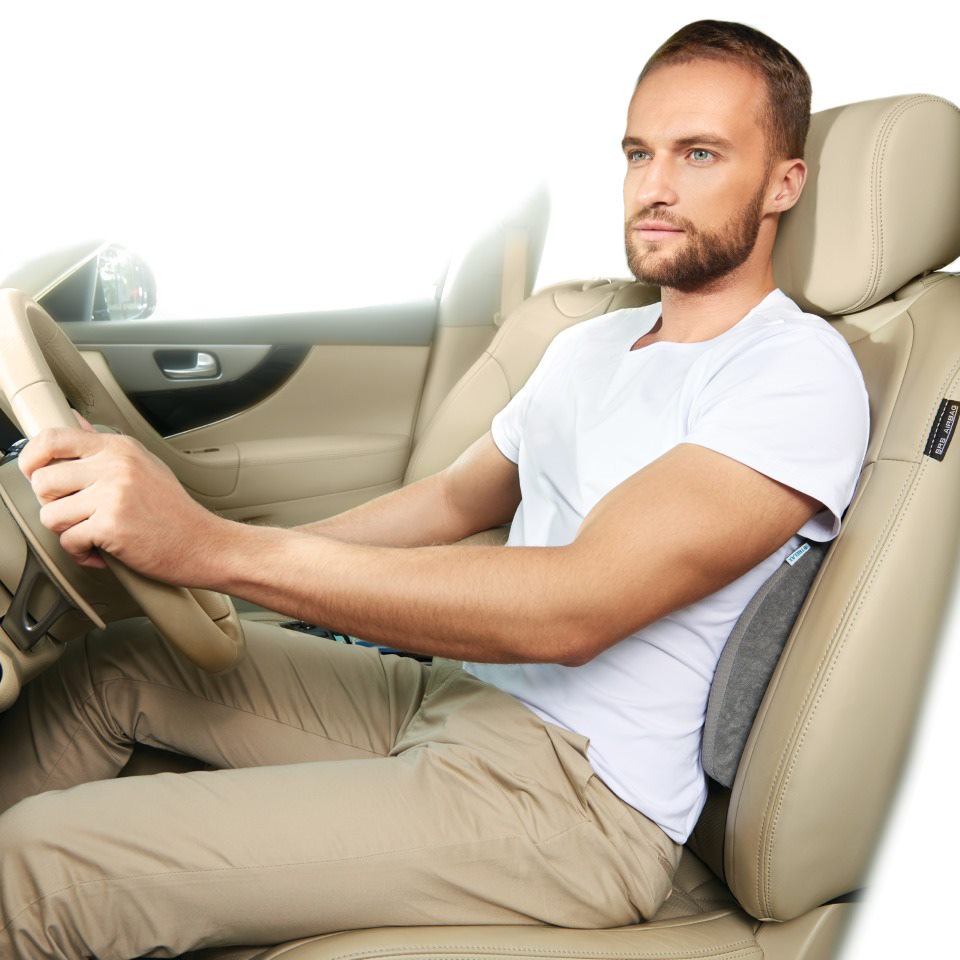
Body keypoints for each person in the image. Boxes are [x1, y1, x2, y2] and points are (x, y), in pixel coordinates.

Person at [0, 20, 869, 960]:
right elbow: (454, 502)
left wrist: (216, 550)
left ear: (784, 183)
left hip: (577, 801)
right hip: (460, 699)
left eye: (699, 154)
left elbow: (574, 608)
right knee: (117, 667)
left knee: (41, 867)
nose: (653, 186)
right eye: (637, 153)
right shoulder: (593, 345)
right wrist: (195, 553)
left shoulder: (793, 373)